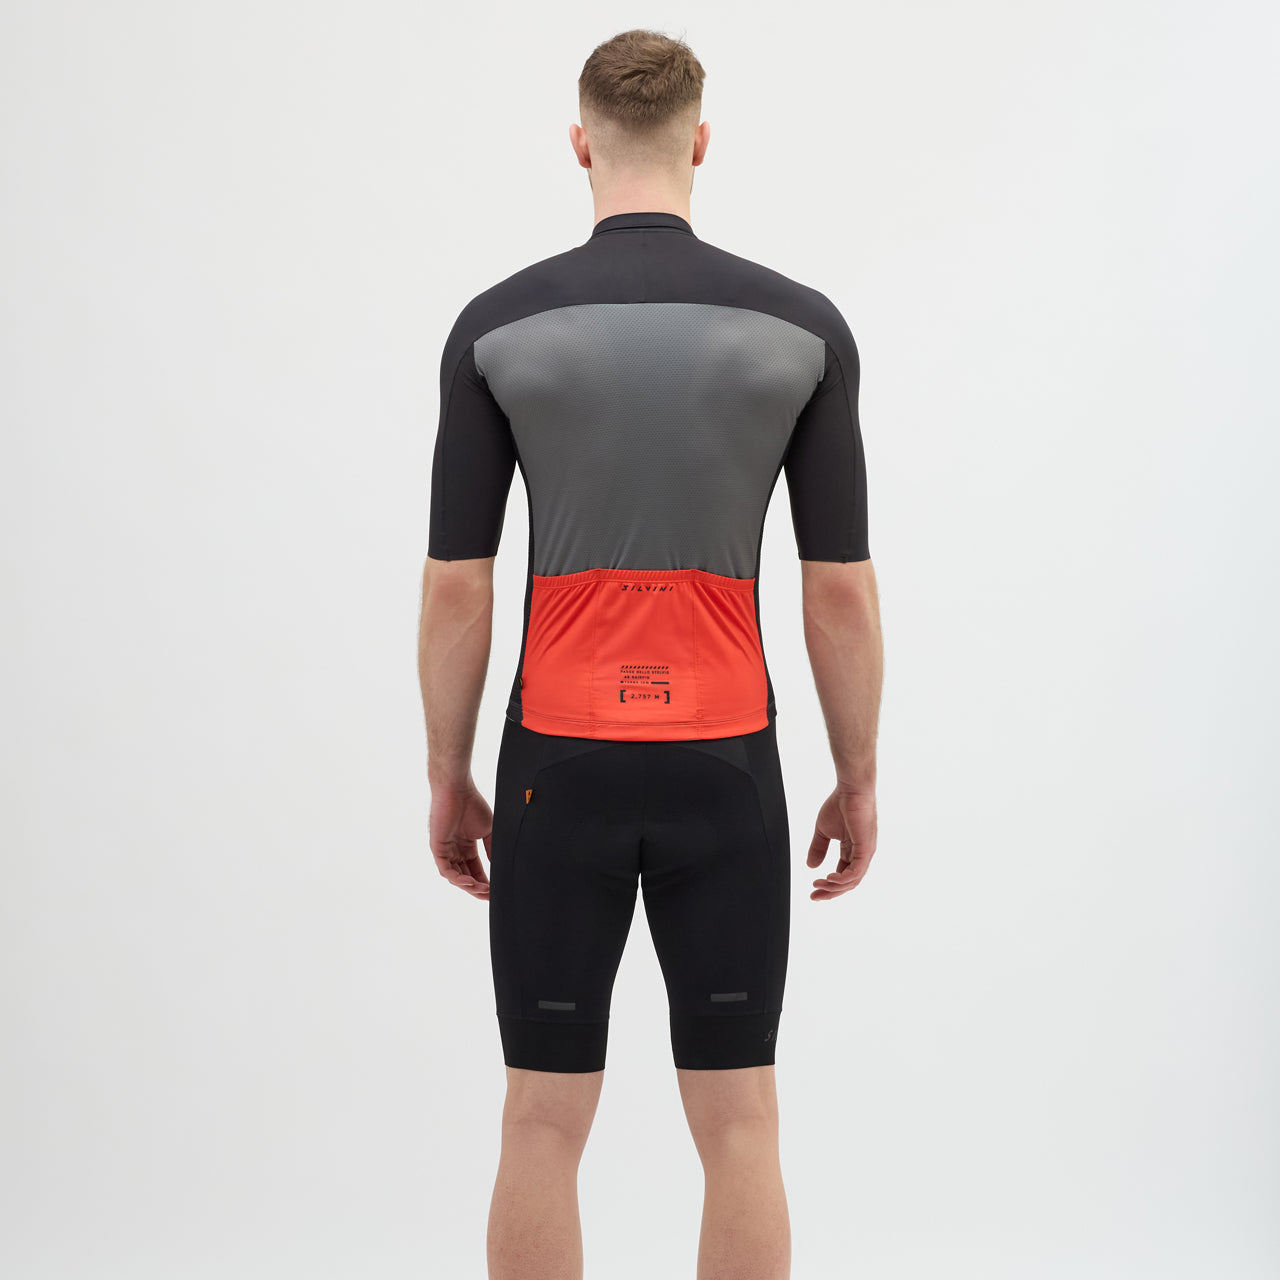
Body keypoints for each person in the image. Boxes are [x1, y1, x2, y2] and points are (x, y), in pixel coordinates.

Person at [417, 27, 883, 1280]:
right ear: (700, 142)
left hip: (555, 759)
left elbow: (458, 580)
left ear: (580, 146)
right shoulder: (799, 330)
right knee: (739, 1121)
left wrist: (447, 772)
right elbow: (836, 590)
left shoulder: (497, 329)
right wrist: (856, 774)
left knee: (539, 1116)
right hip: (725, 762)